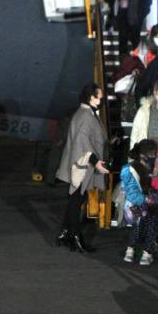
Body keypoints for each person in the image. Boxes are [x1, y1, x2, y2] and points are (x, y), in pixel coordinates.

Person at [54, 83, 109, 253]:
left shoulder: (83, 113)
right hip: (82, 167)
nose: (102, 99)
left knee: (75, 199)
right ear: (91, 98)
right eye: (99, 97)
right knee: (76, 200)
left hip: (78, 164)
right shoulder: (87, 116)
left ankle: (65, 233)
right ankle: (76, 237)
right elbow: (83, 142)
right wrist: (96, 161)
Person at [122, 139, 158, 265]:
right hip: (138, 204)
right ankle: (146, 253)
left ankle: (130, 251)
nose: (155, 157)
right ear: (144, 155)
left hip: (135, 204)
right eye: (153, 154)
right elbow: (132, 191)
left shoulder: (133, 167)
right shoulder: (133, 169)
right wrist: (147, 199)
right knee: (150, 224)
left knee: (138, 226)